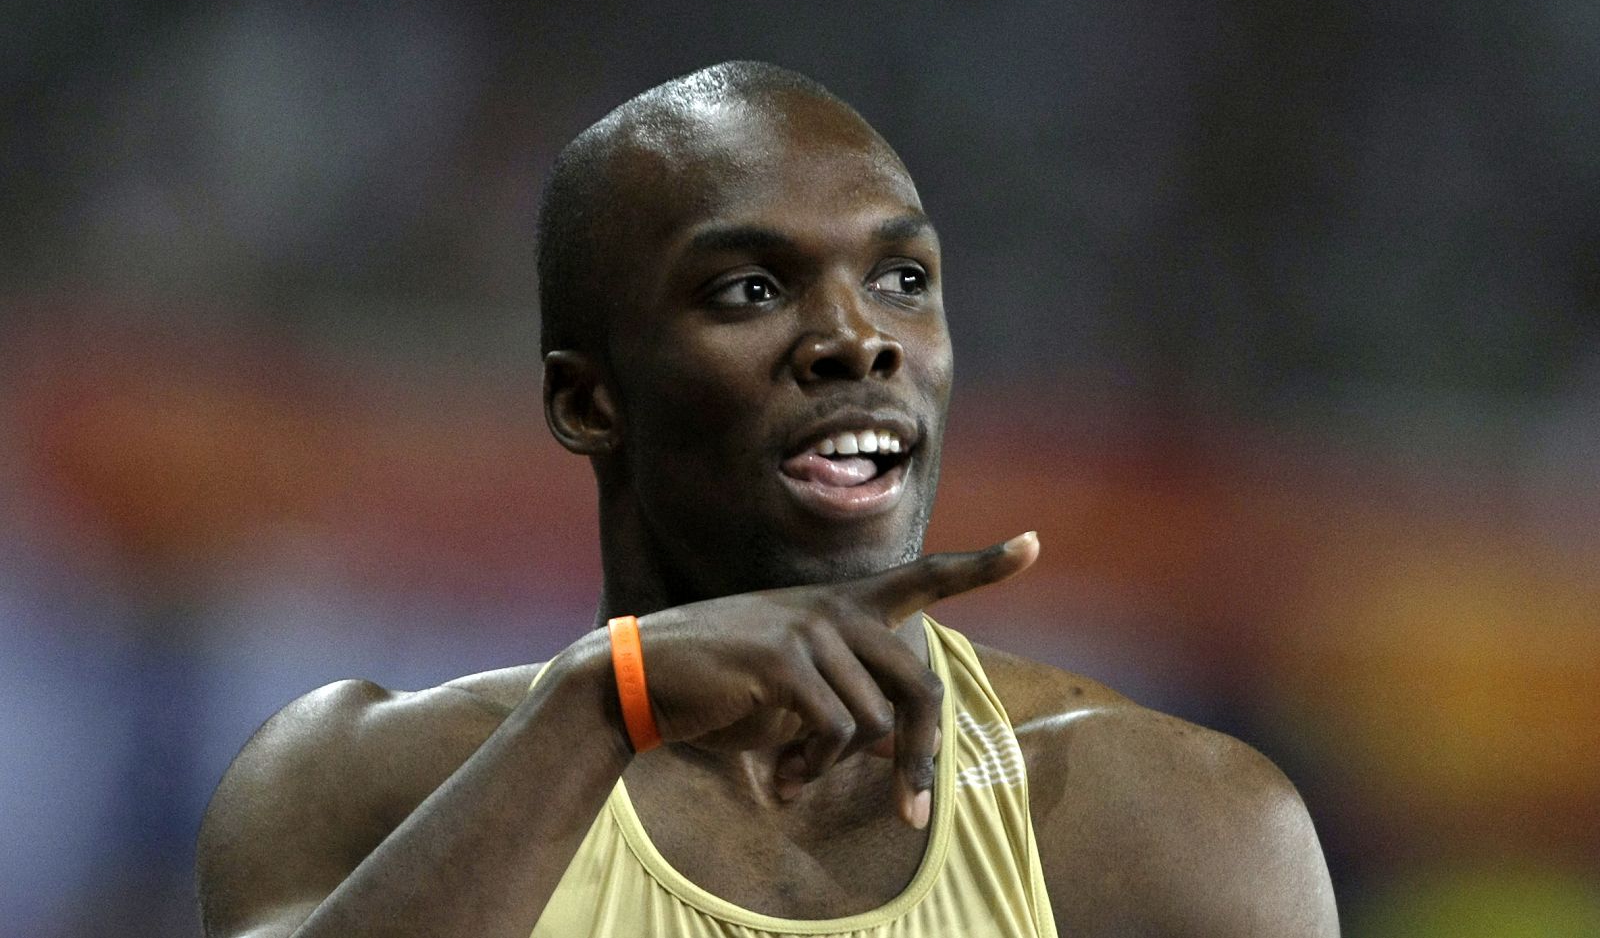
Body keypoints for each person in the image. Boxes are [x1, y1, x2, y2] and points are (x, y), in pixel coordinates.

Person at [196, 61, 1339, 937]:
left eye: (901, 279)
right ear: (589, 400)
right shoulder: (360, 778)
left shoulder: (1171, 821)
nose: (857, 337)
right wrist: (606, 703)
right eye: (750, 288)